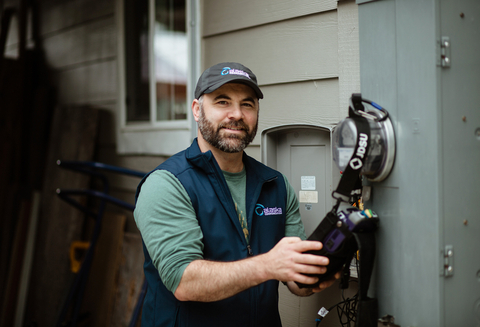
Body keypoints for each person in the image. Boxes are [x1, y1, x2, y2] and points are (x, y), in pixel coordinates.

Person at [134, 62, 339, 327]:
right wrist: (267, 265)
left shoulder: (275, 184)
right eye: (222, 102)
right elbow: (184, 281)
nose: (237, 114)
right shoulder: (168, 184)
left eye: (247, 104)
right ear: (197, 110)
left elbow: (293, 278)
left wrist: (314, 275)